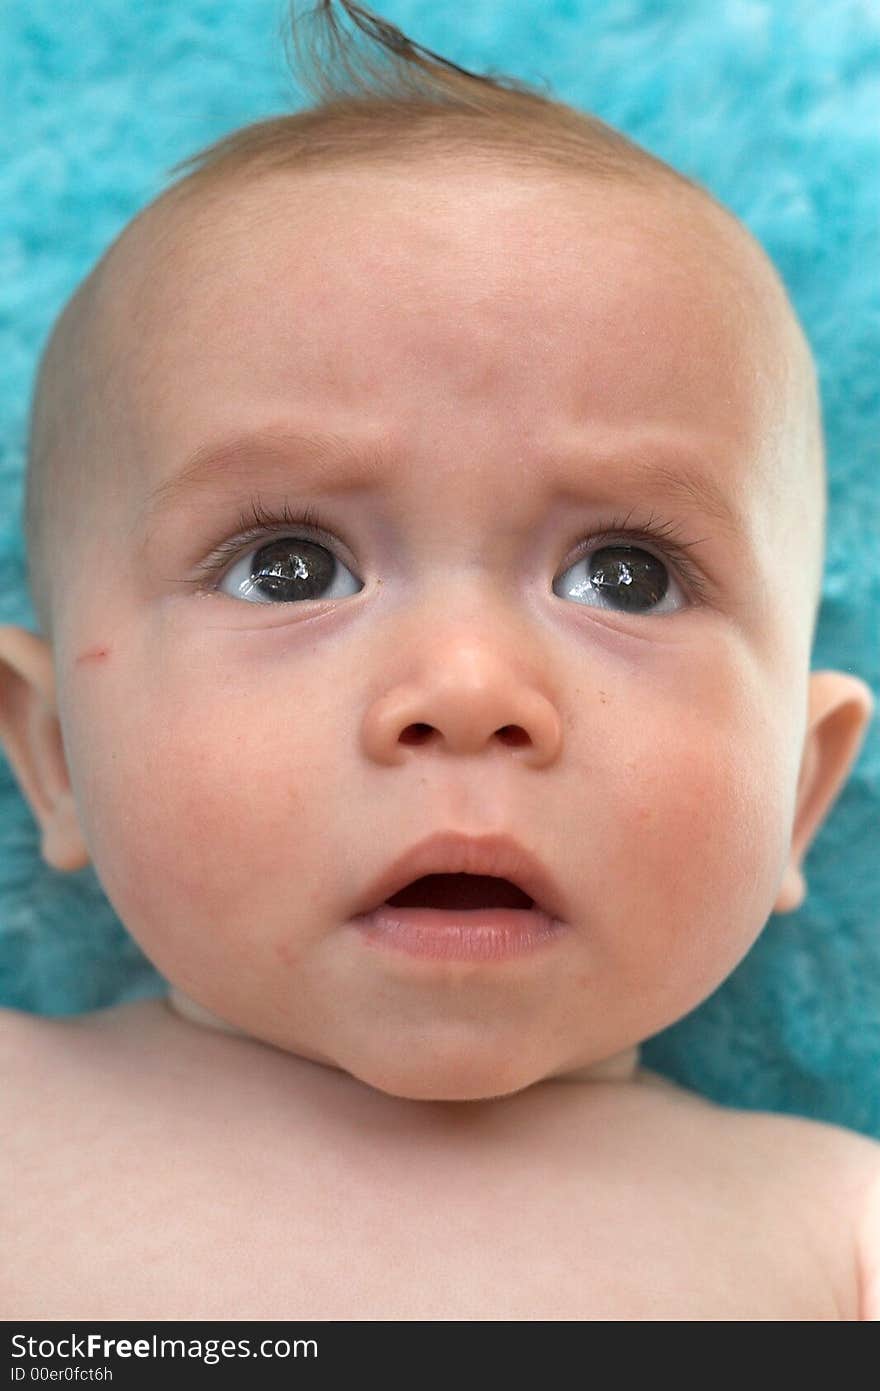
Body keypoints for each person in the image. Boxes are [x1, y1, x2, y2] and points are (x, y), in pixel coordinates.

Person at [0, 0, 877, 1320]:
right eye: (290, 567)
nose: (469, 691)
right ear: (55, 753)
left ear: (800, 792)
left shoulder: (837, 1231)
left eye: (626, 577)